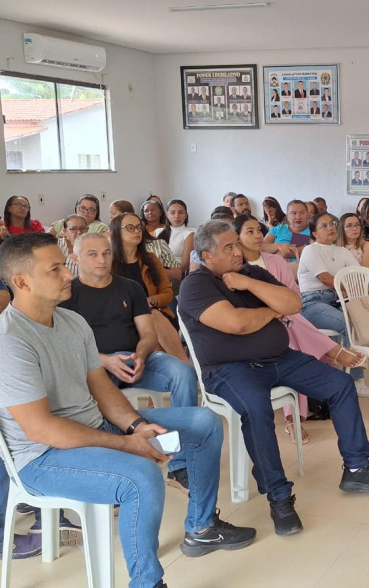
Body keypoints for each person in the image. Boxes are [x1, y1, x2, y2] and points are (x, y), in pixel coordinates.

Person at [0, 233, 256, 588]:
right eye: (55, 269)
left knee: (204, 423)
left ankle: (202, 527)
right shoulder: (11, 341)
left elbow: (102, 389)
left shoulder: (71, 322)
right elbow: (41, 429)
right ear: (21, 282)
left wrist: (136, 426)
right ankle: (147, 582)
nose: (68, 274)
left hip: (94, 428)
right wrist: (126, 443)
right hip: (42, 458)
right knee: (142, 475)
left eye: (64, 265)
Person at [178, 221, 369, 537]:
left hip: (281, 359)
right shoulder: (196, 284)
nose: (238, 251)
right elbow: (237, 323)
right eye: (228, 247)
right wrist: (271, 311)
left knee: (339, 385)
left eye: (236, 244)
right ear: (206, 256)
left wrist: (249, 284)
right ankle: (279, 497)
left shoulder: (251, 273)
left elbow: (293, 304)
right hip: (230, 369)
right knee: (256, 410)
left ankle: (356, 467)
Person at [62, 232, 199, 492]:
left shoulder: (130, 287)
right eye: (93, 254)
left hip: (136, 359)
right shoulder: (68, 294)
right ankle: (117, 464)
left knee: (183, 373)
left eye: (106, 253)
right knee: (87, 396)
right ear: (75, 258)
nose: (102, 260)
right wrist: (104, 361)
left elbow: (148, 333)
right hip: (94, 367)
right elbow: (68, 346)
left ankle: (180, 462)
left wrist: (141, 355)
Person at [233, 215, 367, 442]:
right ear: (236, 238)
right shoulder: (236, 267)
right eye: (250, 231)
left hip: (285, 318)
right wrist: (275, 307)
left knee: (294, 344)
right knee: (293, 330)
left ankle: (293, 419)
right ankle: (333, 350)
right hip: (258, 324)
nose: (257, 235)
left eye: (259, 230)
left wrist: (280, 307)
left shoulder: (275, 261)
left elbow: (294, 293)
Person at [297, 213, 369, 395]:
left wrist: (351, 288)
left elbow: (359, 276)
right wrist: (349, 287)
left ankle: (351, 372)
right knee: (348, 322)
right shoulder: (311, 250)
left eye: (332, 224)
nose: (330, 228)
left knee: (362, 320)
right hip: (313, 303)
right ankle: (356, 379)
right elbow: (326, 279)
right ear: (314, 233)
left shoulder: (342, 251)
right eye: (324, 226)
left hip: (338, 299)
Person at [110, 214, 188, 363]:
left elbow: (167, 293)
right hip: (124, 317)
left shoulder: (151, 259)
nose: (137, 231)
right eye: (130, 228)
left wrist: (151, 300)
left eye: (139, 227)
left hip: (156, 313)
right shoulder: (109, 263)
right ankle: (183, 364)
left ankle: (178, 365)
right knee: (149, 318)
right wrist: (138, 306)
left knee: (151, 316)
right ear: (116, 232)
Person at [156, 199, 195, 278]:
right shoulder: (158, 232)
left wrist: (167, 273)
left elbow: (185, 264)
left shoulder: (189, 234)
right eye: (172, 213)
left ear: (186, 215)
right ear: (167, 214)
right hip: (157, 271)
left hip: (177, 273)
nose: (177, 216)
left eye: (181, 212)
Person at [264, 200, 311, 264]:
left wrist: (278, 254)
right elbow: (262, 247)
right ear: (287, 216)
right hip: (273, 267)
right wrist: (278, 246)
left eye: (302, 212)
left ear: (308, 214)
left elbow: (309, 251)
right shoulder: (277, 229)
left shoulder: (314, 232)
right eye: (293, 213)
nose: (298, 217)